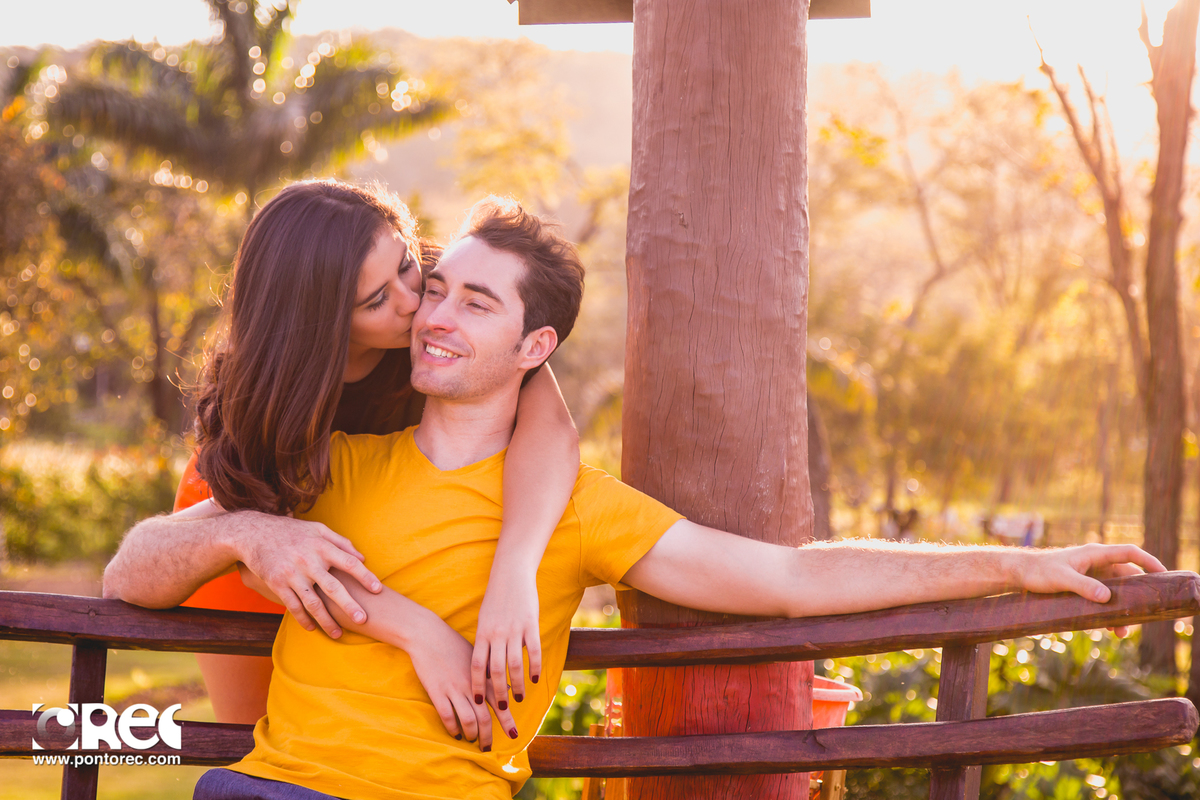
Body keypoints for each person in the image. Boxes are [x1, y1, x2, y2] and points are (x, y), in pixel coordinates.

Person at [148, 197, 1162, 800]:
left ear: (535, 349)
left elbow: (790, 577)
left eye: (472, 298)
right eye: (431, 288)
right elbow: (133, 565)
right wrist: (247, 528)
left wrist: (1018, 561)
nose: (431, 313)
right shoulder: (331, 462)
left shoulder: (578, 505)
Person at [103, 181, 580, 728]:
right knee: (254, 733)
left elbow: (553, 433)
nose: (414, 306)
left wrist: (512, 572)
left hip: (367, 533)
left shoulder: (439, 299)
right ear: (321, 318)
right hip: (244, 521)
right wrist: (416, 630)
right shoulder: (265, 407)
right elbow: (274, 567)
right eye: (376, 300)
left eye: (405, 266)